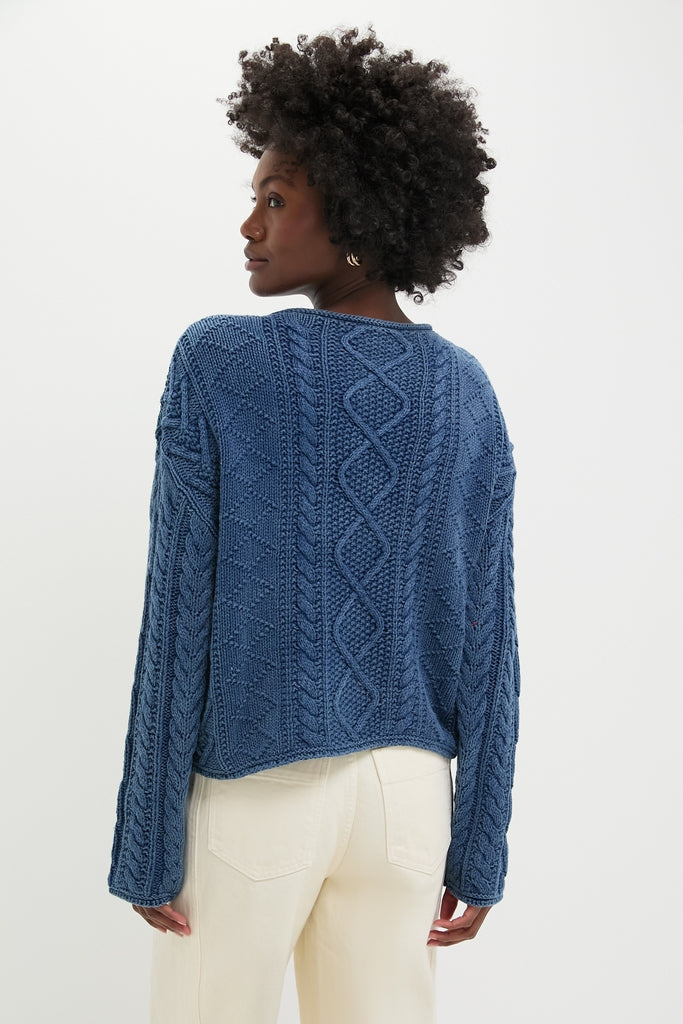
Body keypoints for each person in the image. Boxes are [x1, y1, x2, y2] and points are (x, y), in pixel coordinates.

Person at [108, 26, 520, 1024]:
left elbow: (179, 611)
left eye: (274, 199)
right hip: (406, 807)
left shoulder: (218, 362)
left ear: (354, 211)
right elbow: (489, 643)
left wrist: (146, 838)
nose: (248, 224)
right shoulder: (467, 392)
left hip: (257, 793)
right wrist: (479, 846)